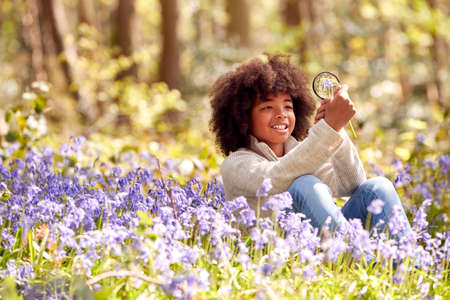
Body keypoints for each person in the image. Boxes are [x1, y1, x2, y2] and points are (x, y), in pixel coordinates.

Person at [209, 53, 411, 236]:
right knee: (305, 184)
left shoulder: (300, 152)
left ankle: (408, 267)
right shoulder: (236, 164)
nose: (281, 114)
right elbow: (277, 176)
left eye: (288, 106)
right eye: (267, 107)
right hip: (283, 258)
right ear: (243, 117)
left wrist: (336, 129)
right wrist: (328, 129)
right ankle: (363, 260)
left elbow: (352, 183)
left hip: (323, 244)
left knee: (378, 187)